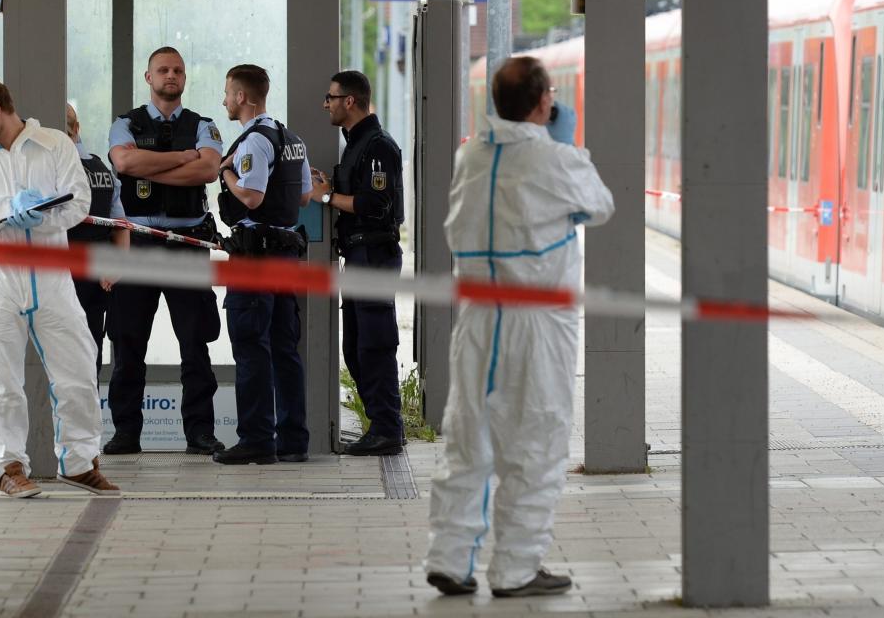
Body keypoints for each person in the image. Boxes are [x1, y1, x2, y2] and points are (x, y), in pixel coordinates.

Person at [423, 56, 613, 599]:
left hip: (479, 317)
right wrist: (567, 146)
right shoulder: (555, 160)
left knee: (468, 437)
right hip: (537, 321)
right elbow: (600, 206)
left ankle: (450, 557)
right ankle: (515, 568)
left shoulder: (470, 156)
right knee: (536, 438)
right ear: (543, 102)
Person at [0, 76, 117, 498]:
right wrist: (4, 210)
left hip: (52, 276)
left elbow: (79, 203)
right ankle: (8, 467)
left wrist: (40, 217)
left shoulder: (55, 144)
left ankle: (80, 463)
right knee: (0, 380)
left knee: (79, 370)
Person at [106, 47, 226, 456]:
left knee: (195, 345)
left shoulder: (204, 126)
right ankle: (126, 433)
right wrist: (181, 159)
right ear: (148, 77)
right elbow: (124, 163)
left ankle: (200, 433)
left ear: (185, 78)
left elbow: (209, 169)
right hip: (136, 245)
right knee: (128, 344)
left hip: (185, 245)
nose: (170, 76)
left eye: (177, 70)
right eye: (163, 70)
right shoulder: (124, 124)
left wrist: (152, 163)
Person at [212, 64, 314, 466]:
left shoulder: (253, 141)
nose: (224, 101)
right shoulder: (292, 139)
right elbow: (305, 197)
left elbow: (251, 198)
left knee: (252, 346)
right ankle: (293, 440)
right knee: (285, 348)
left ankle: (256, 438)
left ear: (241, 97)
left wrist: (226, 172)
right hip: (286, 256)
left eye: (227, 94)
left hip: (255, 258)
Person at [308, 70, 406, 457]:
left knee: (375, 346)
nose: (325, 103)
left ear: (350, 101)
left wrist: (328, 198)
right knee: (355, 348)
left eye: (331, 97)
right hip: (359, 255)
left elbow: (375, 206)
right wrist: (329, 188)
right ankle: (381, 426)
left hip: (375, 255)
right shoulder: (356, 144)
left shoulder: (377, 146)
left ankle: (387, 429)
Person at [65, 103, 128, 376]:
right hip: (97, 278)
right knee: (90, 355)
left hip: (63, 277)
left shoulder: (58, 170)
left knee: (63, 361)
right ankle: (88, 418)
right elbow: (120, 226)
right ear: (77, 128)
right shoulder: (103, 169)